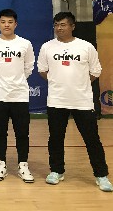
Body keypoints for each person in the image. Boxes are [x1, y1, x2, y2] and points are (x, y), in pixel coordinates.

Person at [38, 11, 113, 192]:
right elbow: (42, 70)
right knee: (56, 138)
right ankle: (56, 171)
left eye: (63, 25)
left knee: (92, 139)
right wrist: (58, 82)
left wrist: (79, 84)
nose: (59, 28)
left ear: (72, 26)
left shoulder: (86, 47)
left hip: (82, 101)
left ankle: (101, 175)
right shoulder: (47, 47)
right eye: (56, 25)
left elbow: (95, 71)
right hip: (57, 100)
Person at [0, 9, 35, 183]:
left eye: (10, 22)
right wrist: (0, 82)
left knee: (22, 132)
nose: (7, 25)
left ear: (15, 24)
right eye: (3, 22)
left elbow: (28, 67)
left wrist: (16, 81)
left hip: (19, 96)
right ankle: (1, 164)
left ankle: (23, 165)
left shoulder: (25, 44)